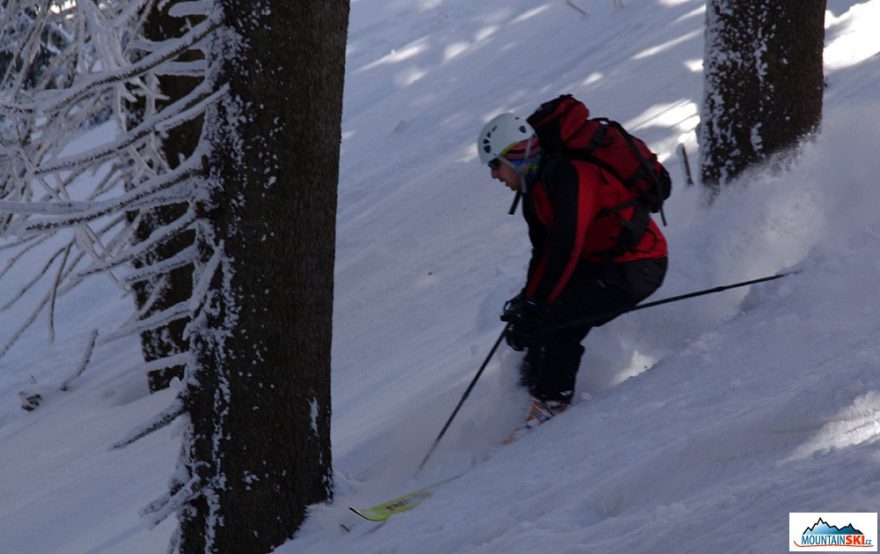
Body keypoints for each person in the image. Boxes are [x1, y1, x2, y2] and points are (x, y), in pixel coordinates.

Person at [476, 111, 668, 430]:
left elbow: (567, 244)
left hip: (638, 264)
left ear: (516, 155)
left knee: (560, 321)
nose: (494, 176)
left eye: (495, 164)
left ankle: (549, 408)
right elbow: (545, 254)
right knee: (539, 322)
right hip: (599, 264)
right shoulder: (534, 194)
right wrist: (528, 303)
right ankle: (522, 400)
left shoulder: (569, 176)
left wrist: (539, 306)